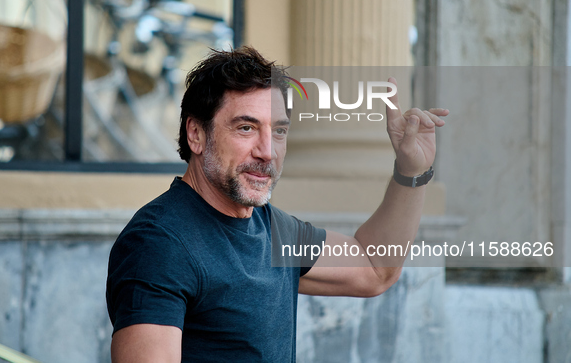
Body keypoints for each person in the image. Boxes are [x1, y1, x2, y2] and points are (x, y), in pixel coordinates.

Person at [106, 46, 448, 362]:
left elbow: (375, 268)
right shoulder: (159, 243)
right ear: (196, 134)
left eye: (279, 131)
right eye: (245, 128)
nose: (267, 151)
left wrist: (411, 171)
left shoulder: (272, 229)